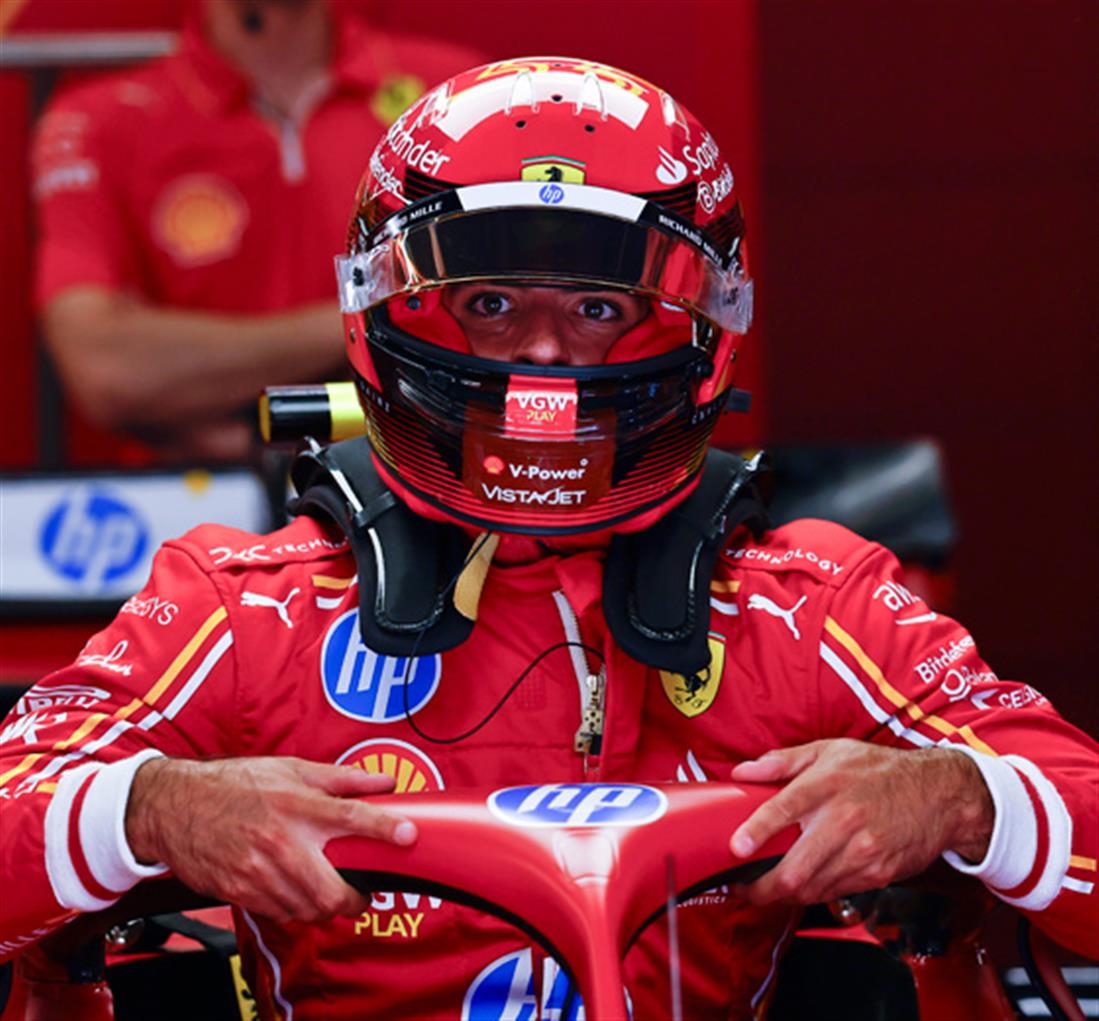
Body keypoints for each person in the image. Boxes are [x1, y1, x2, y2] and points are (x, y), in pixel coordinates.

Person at [4, 56, 1096, 1020]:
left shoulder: (810, 603)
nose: (542, 355)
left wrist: (961, 796)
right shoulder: (241, 604)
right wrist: (149, 809)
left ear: (700, 326)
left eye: (597, 309)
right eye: (488, 302)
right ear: (388, 309)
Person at [31, 0, 482, 462]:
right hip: (202, 496)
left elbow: (500, 324)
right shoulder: (99, 120)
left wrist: (226, 395)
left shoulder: (457, 95)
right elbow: (106, 368)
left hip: (424, 483)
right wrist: (373, 320)